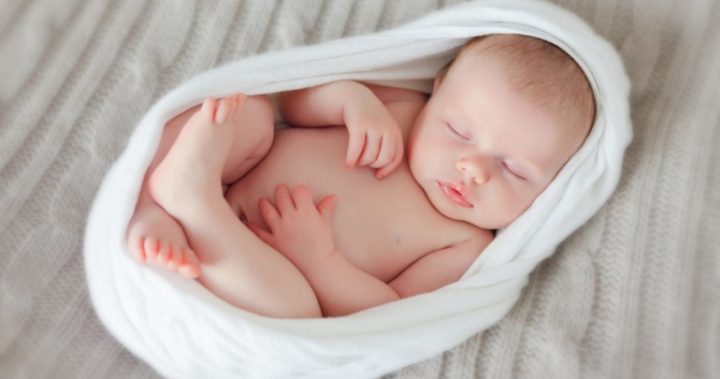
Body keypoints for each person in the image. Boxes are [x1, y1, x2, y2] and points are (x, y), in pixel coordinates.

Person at [125, 34, 595, 318]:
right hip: (234, 172)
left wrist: (318, 260)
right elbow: (293, 102)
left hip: (260, 261)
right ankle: (154, 206)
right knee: (247, 114)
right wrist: (350, 99)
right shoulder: (402, 110)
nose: (473, 168)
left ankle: (194, 205)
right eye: (458, 130)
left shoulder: (465, 243)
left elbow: (387, 309)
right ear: (437, 93)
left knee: (295, 307)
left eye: (513, 169)